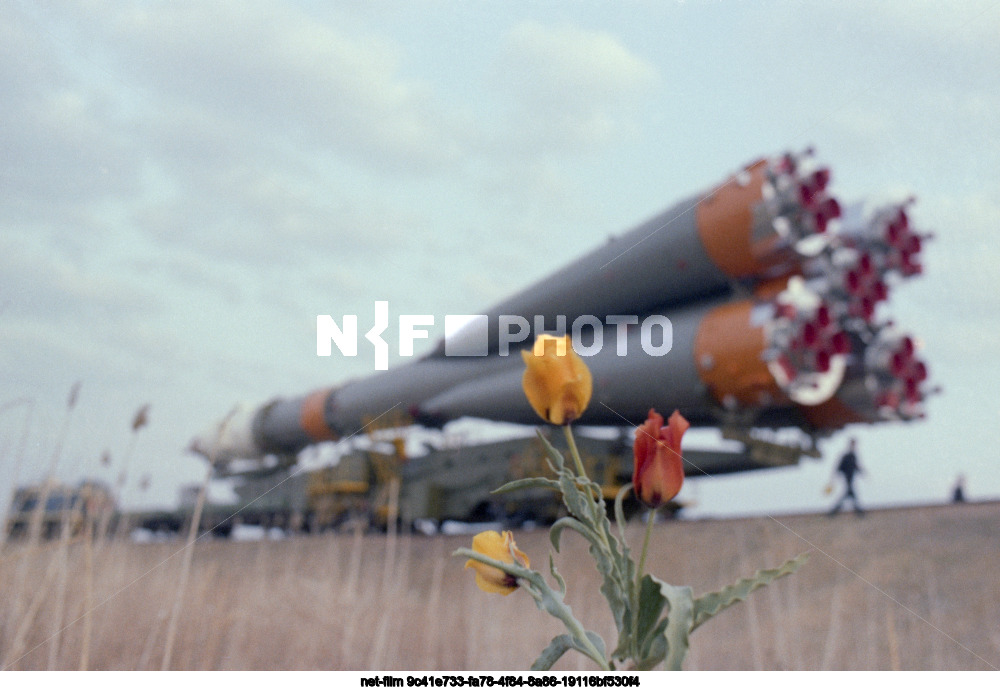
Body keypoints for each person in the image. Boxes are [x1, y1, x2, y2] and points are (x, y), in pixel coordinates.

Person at [828, 437, 865, 516]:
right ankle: (858, 511)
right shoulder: (847, 456)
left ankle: (834, 511)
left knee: (848, 494)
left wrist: (862, 472)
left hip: (851, 477)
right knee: (850, 493)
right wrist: (835, 476)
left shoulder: (853, 455)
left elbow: (855, 466)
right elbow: (840, 466)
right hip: (847, 477)